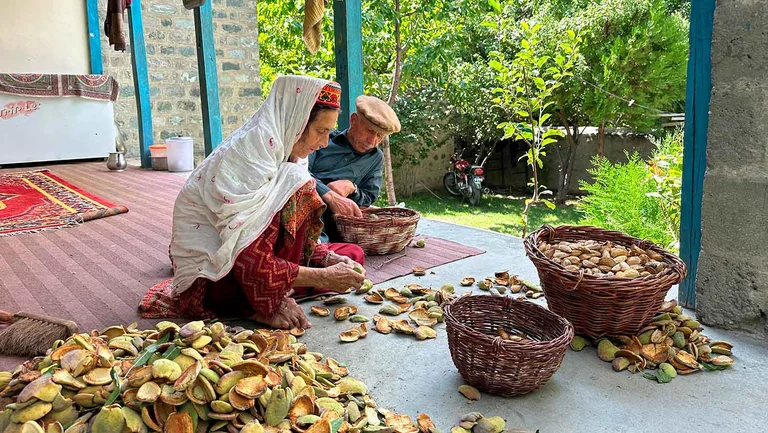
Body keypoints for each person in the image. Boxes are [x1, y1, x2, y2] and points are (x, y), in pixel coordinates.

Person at [167, 75, 366, 330]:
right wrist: (322, 276)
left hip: (258, 262)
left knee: (352, 257)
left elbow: (289, 236)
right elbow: (245, 255)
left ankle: (279, 288)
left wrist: (326, 261)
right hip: (214, 277)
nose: (324, 143)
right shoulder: (248, 154)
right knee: (298, 181)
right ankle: (261, 303)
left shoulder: (290, 153)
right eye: (321, 131)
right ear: (297, 121)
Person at [307, 95, 401, 242]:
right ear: (353, 120)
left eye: (380, 136)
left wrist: (353, 188)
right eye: (369, 131)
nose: (372, 141)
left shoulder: (376, 158)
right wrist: (328, 193)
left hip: (338, 229)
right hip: (304, 214)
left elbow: (369, 197)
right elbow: (298, 173)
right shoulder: (323, 139)